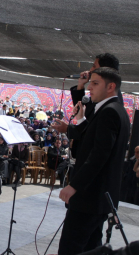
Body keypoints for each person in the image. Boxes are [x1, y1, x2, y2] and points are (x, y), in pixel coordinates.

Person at [58, 67, 130, 255]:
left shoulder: (109, 112)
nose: (90, 88)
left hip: (90, 195)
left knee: (70, 247)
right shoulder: (116, 110)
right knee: (91, 247)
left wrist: (74, 185)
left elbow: (99, 155)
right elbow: (96, 140)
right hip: (100, 197)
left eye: (95, 83)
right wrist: (81, 120)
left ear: (111, 86)